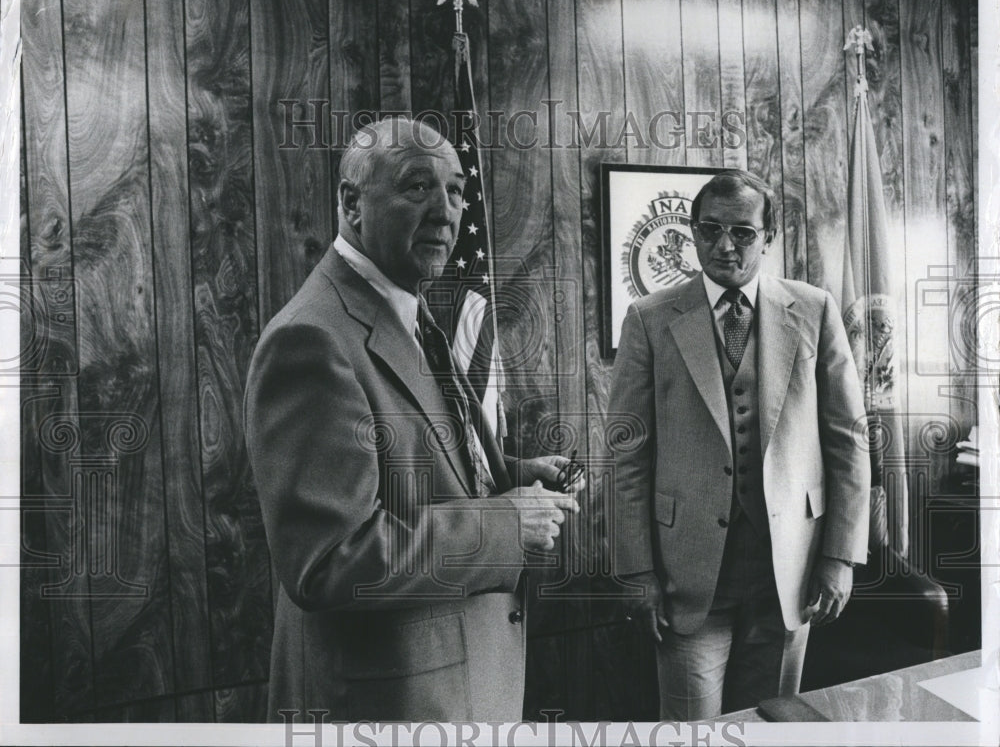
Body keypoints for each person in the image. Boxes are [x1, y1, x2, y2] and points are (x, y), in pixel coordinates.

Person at [244, 117, 581, 722]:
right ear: (352, 202)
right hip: (389, 704)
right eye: (416, 187)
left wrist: (515, 476)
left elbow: (415, 463)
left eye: (455, 190)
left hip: (461, 685)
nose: (447, 212)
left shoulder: (408, 309)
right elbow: (330, 558)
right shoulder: (311, 338)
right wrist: (506, 524)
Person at [608, 169, 870, 718]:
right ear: (693, 232)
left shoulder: (815, 310)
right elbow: (627, 455)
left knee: (773, 721)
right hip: (689, 575)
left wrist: (841, 556)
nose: (725, 245)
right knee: (691, 728)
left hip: (789, 568)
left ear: (768, 237)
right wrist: (636, 571)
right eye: (710, 230)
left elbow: (848, 439)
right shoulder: (650, 319)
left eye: (744, 233)